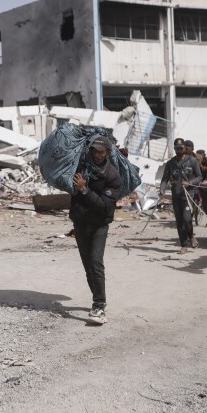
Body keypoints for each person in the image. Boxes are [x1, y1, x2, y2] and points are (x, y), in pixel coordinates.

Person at [69, 136, 122, 325]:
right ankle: (97, 299)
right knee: (87, 266)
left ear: (107, 153)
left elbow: (104, 206)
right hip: (81, 223)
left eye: (101, 152)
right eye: (94, 151)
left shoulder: (113, 176)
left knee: (96, 262)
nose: (97, 155)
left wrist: (84, 190)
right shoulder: (82, 169)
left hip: (99, 224)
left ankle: (99, 305)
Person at [160, 138, 202, 254]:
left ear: (184, 148)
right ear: (174, 149)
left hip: (188, 195)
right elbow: (165, 179)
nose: (179, 150)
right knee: (179, 221)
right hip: (176, 196)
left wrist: (190, 183)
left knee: (187, 219)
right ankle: (184, 244)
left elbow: (199, 177)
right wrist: (162, 189)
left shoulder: (192, 161)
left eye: (181, 148)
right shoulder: (170, 163)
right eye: (177, 148)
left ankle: (191, 236)